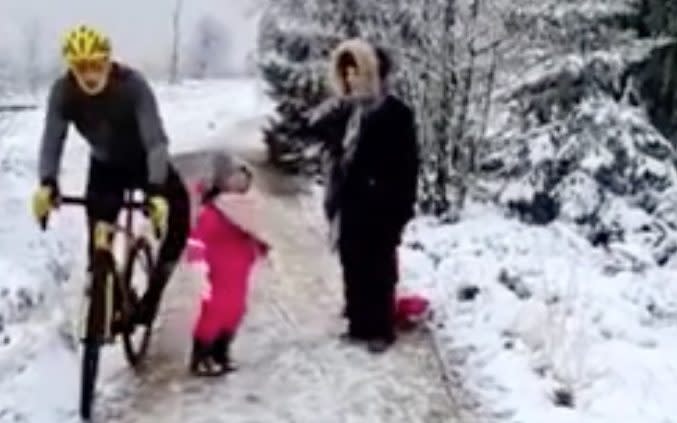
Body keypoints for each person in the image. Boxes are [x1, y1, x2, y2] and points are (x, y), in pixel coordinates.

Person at [31, 24, 191, 327]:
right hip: (106, 166)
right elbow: (52, 139)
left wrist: (156, 191)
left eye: (96, 65)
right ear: (71, 68)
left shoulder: (132, 86)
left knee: (180, 216)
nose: (90, 75)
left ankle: (152, 298)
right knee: (98, 238)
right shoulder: (64, 92)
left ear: (108, 61)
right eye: (81, 67)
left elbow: (156, 141)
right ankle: (105, 289)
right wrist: (47, 182)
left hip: (145, 162)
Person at [307, 39, 420, 353]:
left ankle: (380, 328)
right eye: (344, 73)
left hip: (382, 204)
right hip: (350, 200)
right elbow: (317, 134)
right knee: (352, 260)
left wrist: (401, 207)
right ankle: (359, 323)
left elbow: (408, 165)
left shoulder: (395, 113)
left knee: (379, 266)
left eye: (355, 72)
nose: (349, 79)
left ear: (370, 72)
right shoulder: (345, 111)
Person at [186, 153, 270, 376]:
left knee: (236, 311)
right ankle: (201, 354)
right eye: (234, 176)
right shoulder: (213, 213)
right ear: (221, 182)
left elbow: (255, 233)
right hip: (217, 272)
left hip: (239, 271)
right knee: (213, 312)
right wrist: (197, 265)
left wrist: (260, 248)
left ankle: (221, 351)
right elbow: (197, 238)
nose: (240, 181)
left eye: (243, 175)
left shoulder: (246, 209)